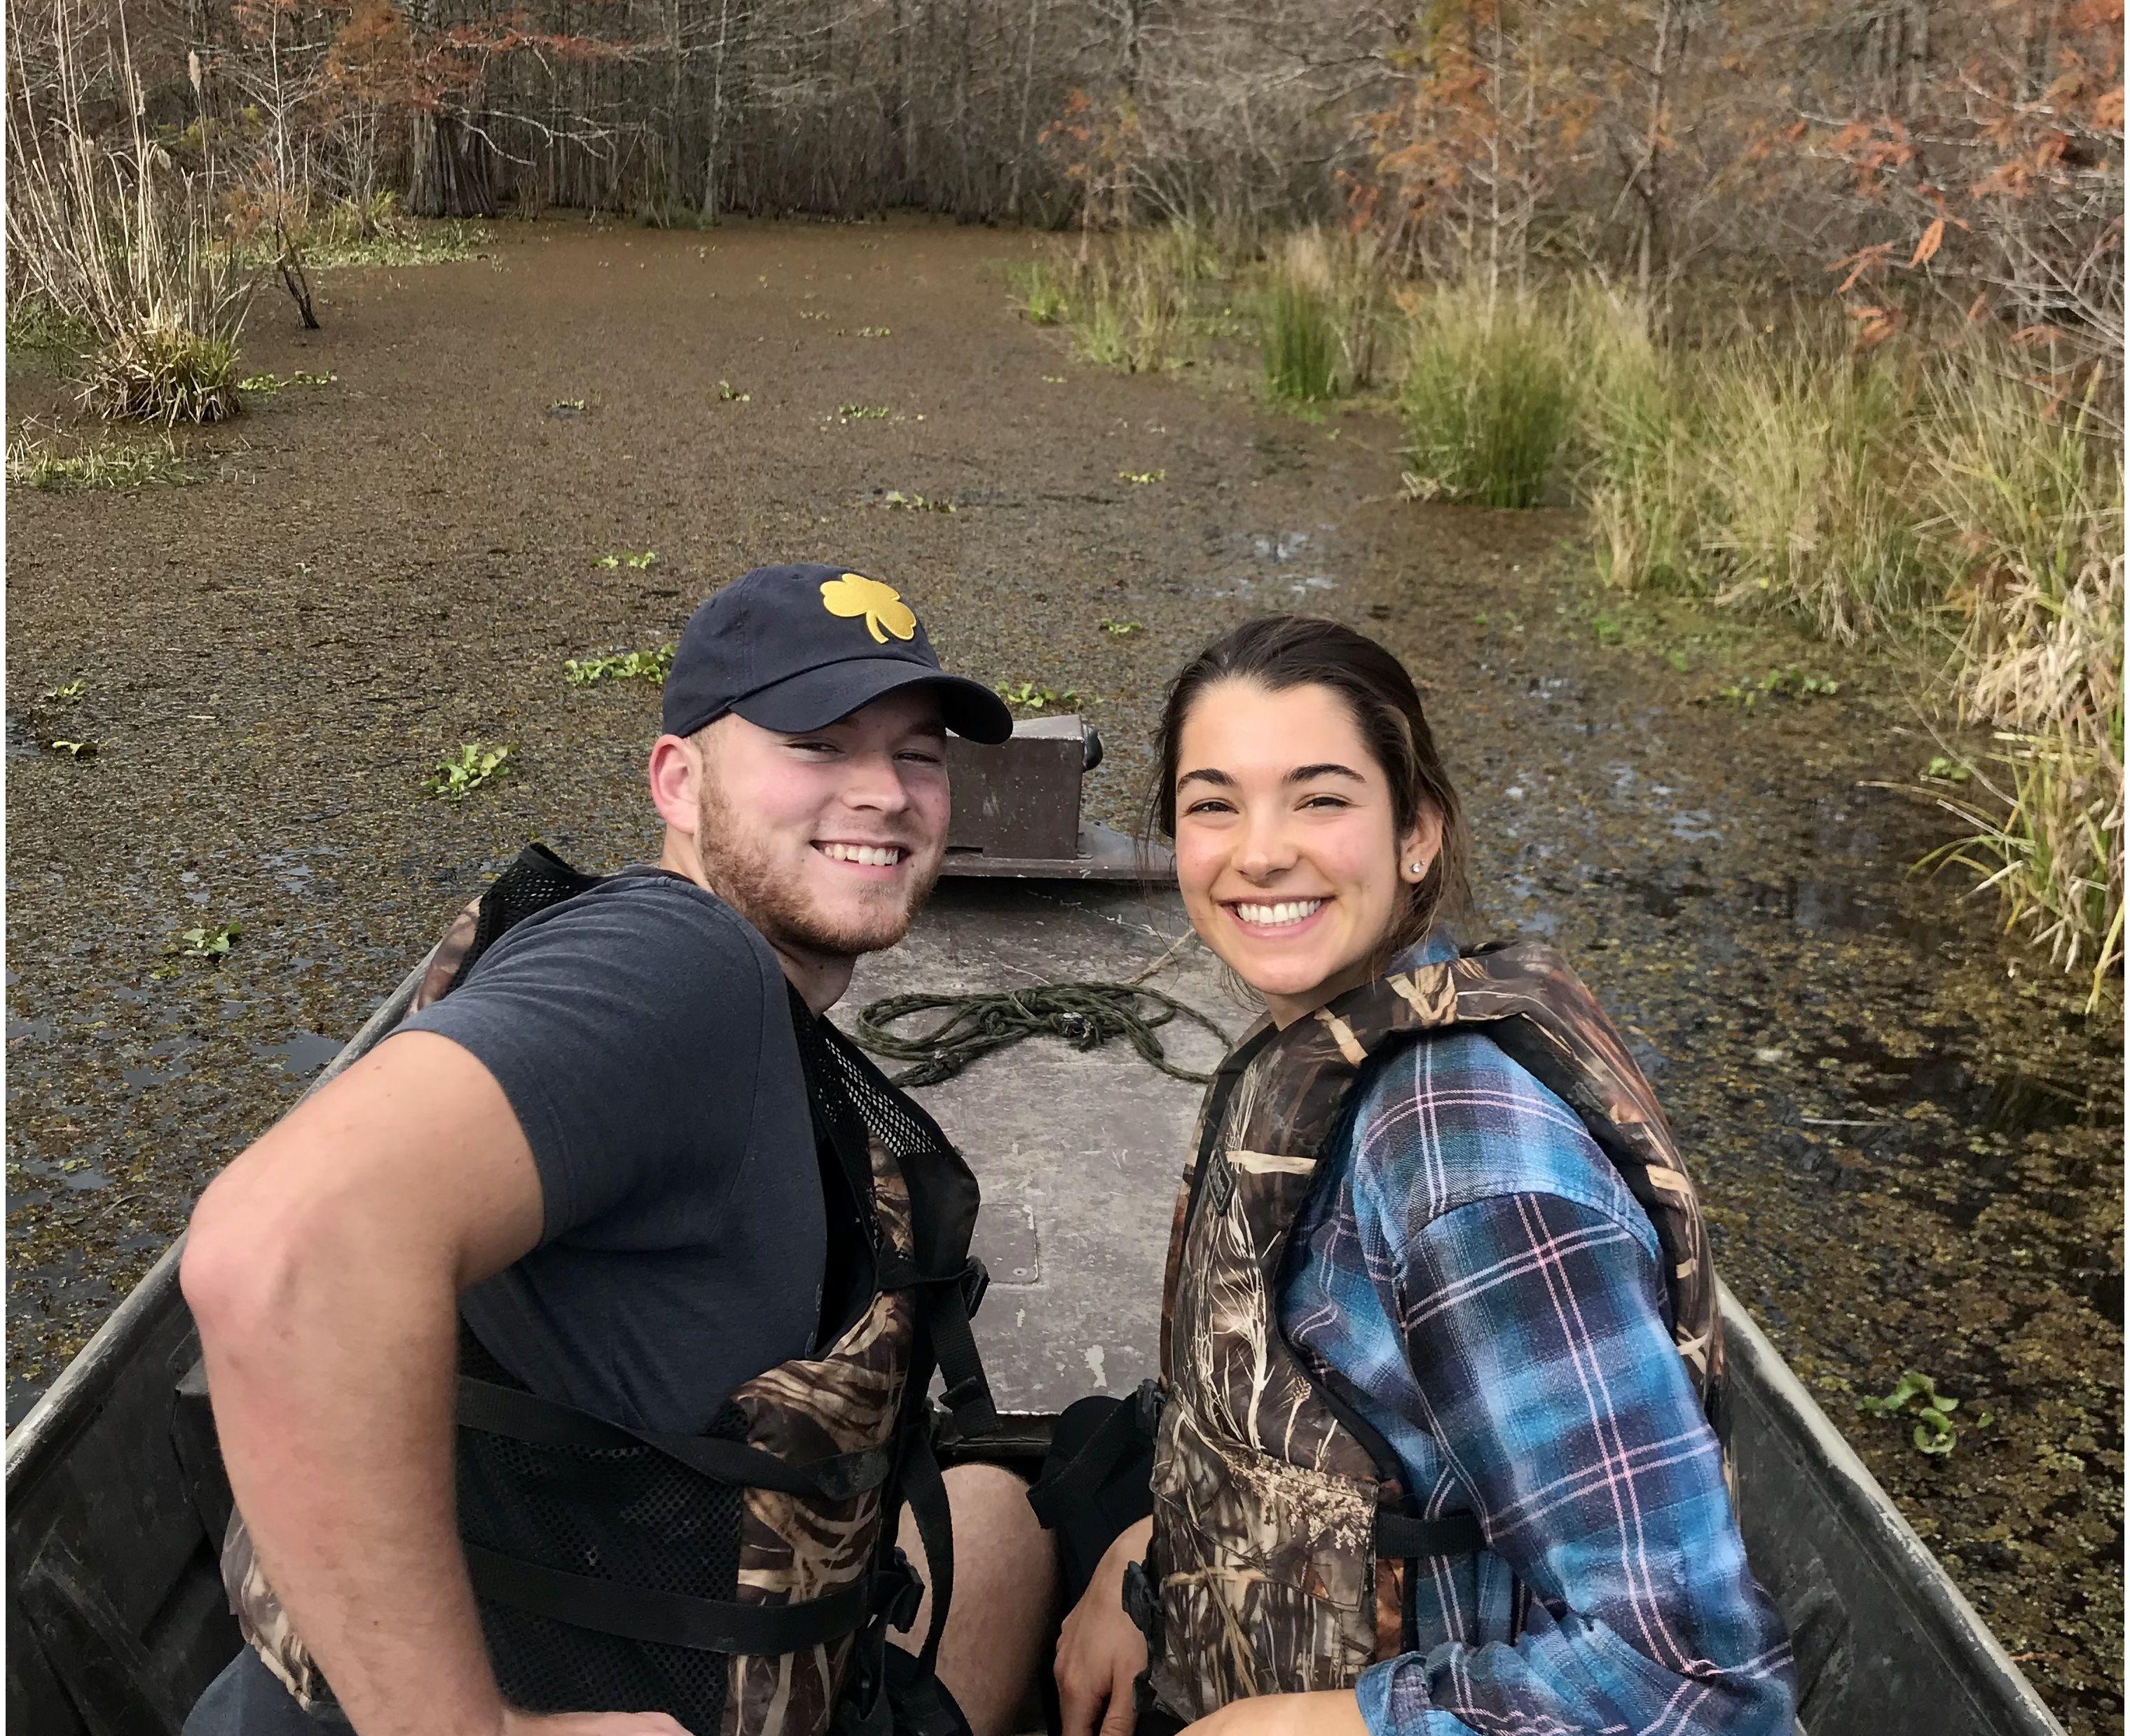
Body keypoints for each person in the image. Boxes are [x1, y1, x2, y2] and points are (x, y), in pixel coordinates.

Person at [179, 563, 1057, 1736]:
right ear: (678, 781)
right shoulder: (678, 970)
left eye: (916, 754)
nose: (885, 793)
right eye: (818, 742)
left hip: (374, 1673)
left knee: (993, 1512)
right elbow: (277, 1253)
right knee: (1024, 1521)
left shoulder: (696, 981)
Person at [1045, 614, 1795, 1736]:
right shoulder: (1327, 1041)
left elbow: (1696, 1683)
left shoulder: (1466, 1172)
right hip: (1240, 1634)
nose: (1259, 851)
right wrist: (1141, 1563)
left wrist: (1316, 1726)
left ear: (1417, 835)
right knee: (1049, 1493)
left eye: (1321, 798)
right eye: (1214, 803)